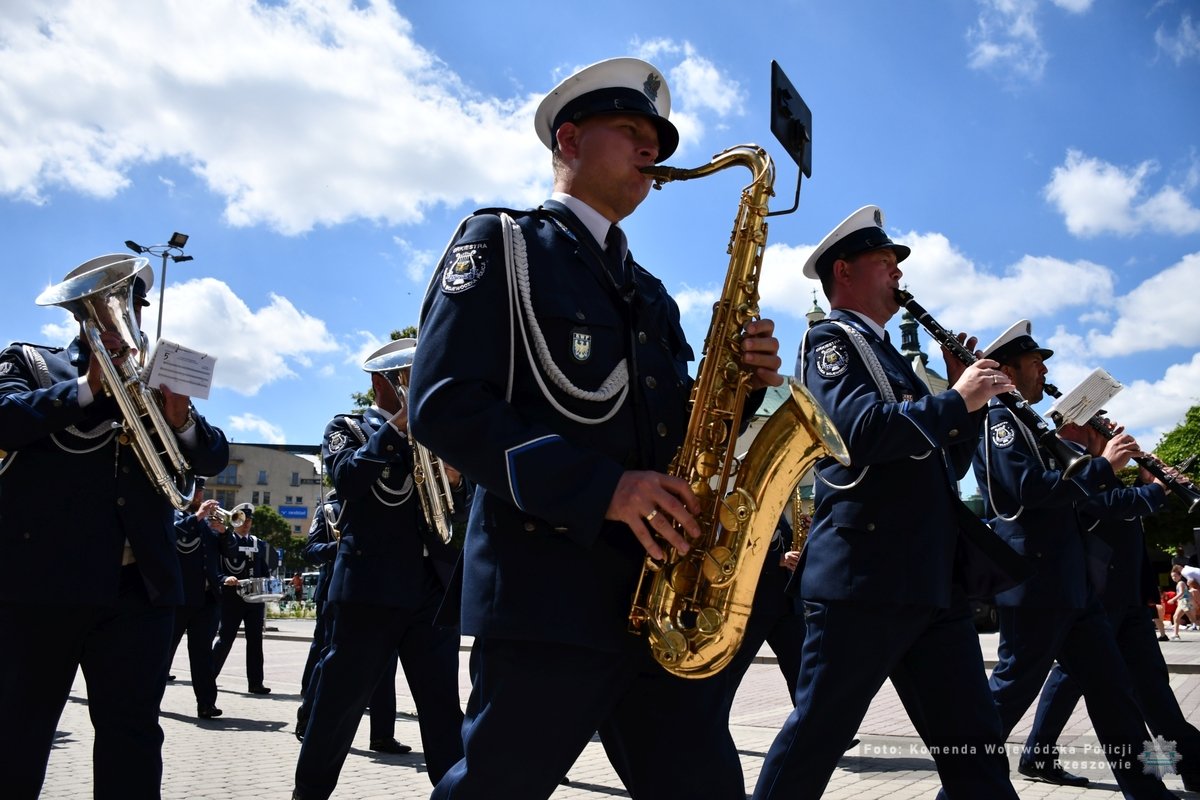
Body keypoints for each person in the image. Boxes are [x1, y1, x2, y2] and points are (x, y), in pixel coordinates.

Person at [409, 56, 786, 800]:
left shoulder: (650, 292)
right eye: (630, 129)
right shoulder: (503, 243)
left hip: (661, 598)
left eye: (659, 139)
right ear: (570, 139)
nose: (653, 149)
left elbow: (672, 433)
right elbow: (444, 403)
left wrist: (737, 391)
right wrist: (603, 489)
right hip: (548, 595)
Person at [751, 206, 1021, 800]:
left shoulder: (894, 358)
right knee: (817, 737)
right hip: (864, 579)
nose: (898, 272)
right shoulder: (829, 340)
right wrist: (956, 400)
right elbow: (857, 433)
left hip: (928, 578)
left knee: (976, 748)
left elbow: (942, 467)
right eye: (884, 261)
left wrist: (967, 406)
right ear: (843, 272)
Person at [0, 253, 229, 798]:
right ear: (79, 314)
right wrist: (87, 387)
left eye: (129, 305)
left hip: (138, 590)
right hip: (42, 586)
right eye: (102, 306)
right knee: (17, 734)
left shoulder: (156, 383)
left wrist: (182, 418)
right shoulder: (33, 364)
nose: (119, 317)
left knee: (133, 738)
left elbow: (213, 457)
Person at [971, 319, 1179, 798]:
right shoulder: (999, 420)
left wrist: (1102, 462)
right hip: (1037, 582)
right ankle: (960, 787)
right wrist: (1104, 466)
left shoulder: (1026, 421)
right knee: (1006, 698)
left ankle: (1149, 792)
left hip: (1069, 583)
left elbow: (1070, 493)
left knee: (1114, 695)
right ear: (1008, 370)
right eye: (1035, 362)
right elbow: (1029, 490)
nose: (1044, 371)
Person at [292, 337, 466, 799]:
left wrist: (457, 479)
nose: (417, 382)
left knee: (443, 711)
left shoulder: (437, 431)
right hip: (370, 587)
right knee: (338, 706)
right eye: (405, 376)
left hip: (431, 589)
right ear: (379, 383)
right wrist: (396, 428)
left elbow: (459, 512)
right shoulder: (347, 426)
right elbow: (347, 479)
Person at [1019, 431, 1200, 792]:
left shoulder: (1107, 471)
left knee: (1150, 684)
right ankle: (1035, 753)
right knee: (1076, 678)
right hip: (1099, 593)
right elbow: (1104, 506)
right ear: (1079, 429)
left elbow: (1124, 510)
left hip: (1127, 593)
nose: (1114, 432)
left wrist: (1151, 484)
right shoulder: (1075, 466)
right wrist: (1154, 489)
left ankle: (1190, 763)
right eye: (1102, 426)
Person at [293, 489, 412, 756]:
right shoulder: (331, 507)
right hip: (337, 593)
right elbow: (310, 551)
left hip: (381, 591)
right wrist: (343, 545)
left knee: (385, 664)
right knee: (330, 660)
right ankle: (308, 716)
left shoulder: (386, 502)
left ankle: (382, 735)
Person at [167, 476, 225, 719]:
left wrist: (223, 533)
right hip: (179, 598)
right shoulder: (174, 515)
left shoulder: (206, 523)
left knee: (202, 655)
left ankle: (206, 704)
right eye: (196, 492)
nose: (200, 496)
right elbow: (171, 533)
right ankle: (148, 701)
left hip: (206, 599)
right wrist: (198, 517)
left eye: (201, 492)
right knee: (164, 651)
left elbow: (226, 552)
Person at [211, 502, 273, 694]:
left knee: (255, 641)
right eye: (242, 520)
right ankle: (207, 677)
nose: (246, 524)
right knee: (225, 639)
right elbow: (217, 567)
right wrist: (224, 579)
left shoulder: (257, 543)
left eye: (249, 521)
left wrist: (269, 584)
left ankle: (256, 683)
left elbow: (264, 570)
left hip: (255, 599)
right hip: (232, 598)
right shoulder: (224, 541)